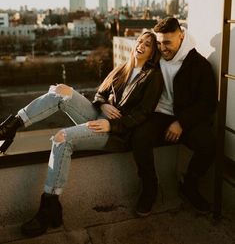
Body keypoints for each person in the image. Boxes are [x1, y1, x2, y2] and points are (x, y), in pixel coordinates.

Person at [0, 30, 164, 237]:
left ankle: (49, 205)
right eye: (139, 41)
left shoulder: (153, 77)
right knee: (61, 90)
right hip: (99, 117)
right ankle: (12, 125)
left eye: (148, 44)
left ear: (153, 52)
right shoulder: (124, 68)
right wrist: (103, 105)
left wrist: (112, 126)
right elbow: (99, 93)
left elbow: (143, 114)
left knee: (62, 138)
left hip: (117, 133)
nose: (141, 45)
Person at [131, 17, 217, 216]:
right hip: (159, 115)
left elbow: (208, 102)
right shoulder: (156, 57)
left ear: (182, 36)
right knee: (139, 138)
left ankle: (189, 185)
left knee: (208, 144)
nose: (162, 48)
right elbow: (130, 71)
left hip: (185, 118)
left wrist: (182, 122)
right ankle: (150, 188)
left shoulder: (199, 64)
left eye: (167, 42)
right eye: (159, 43)